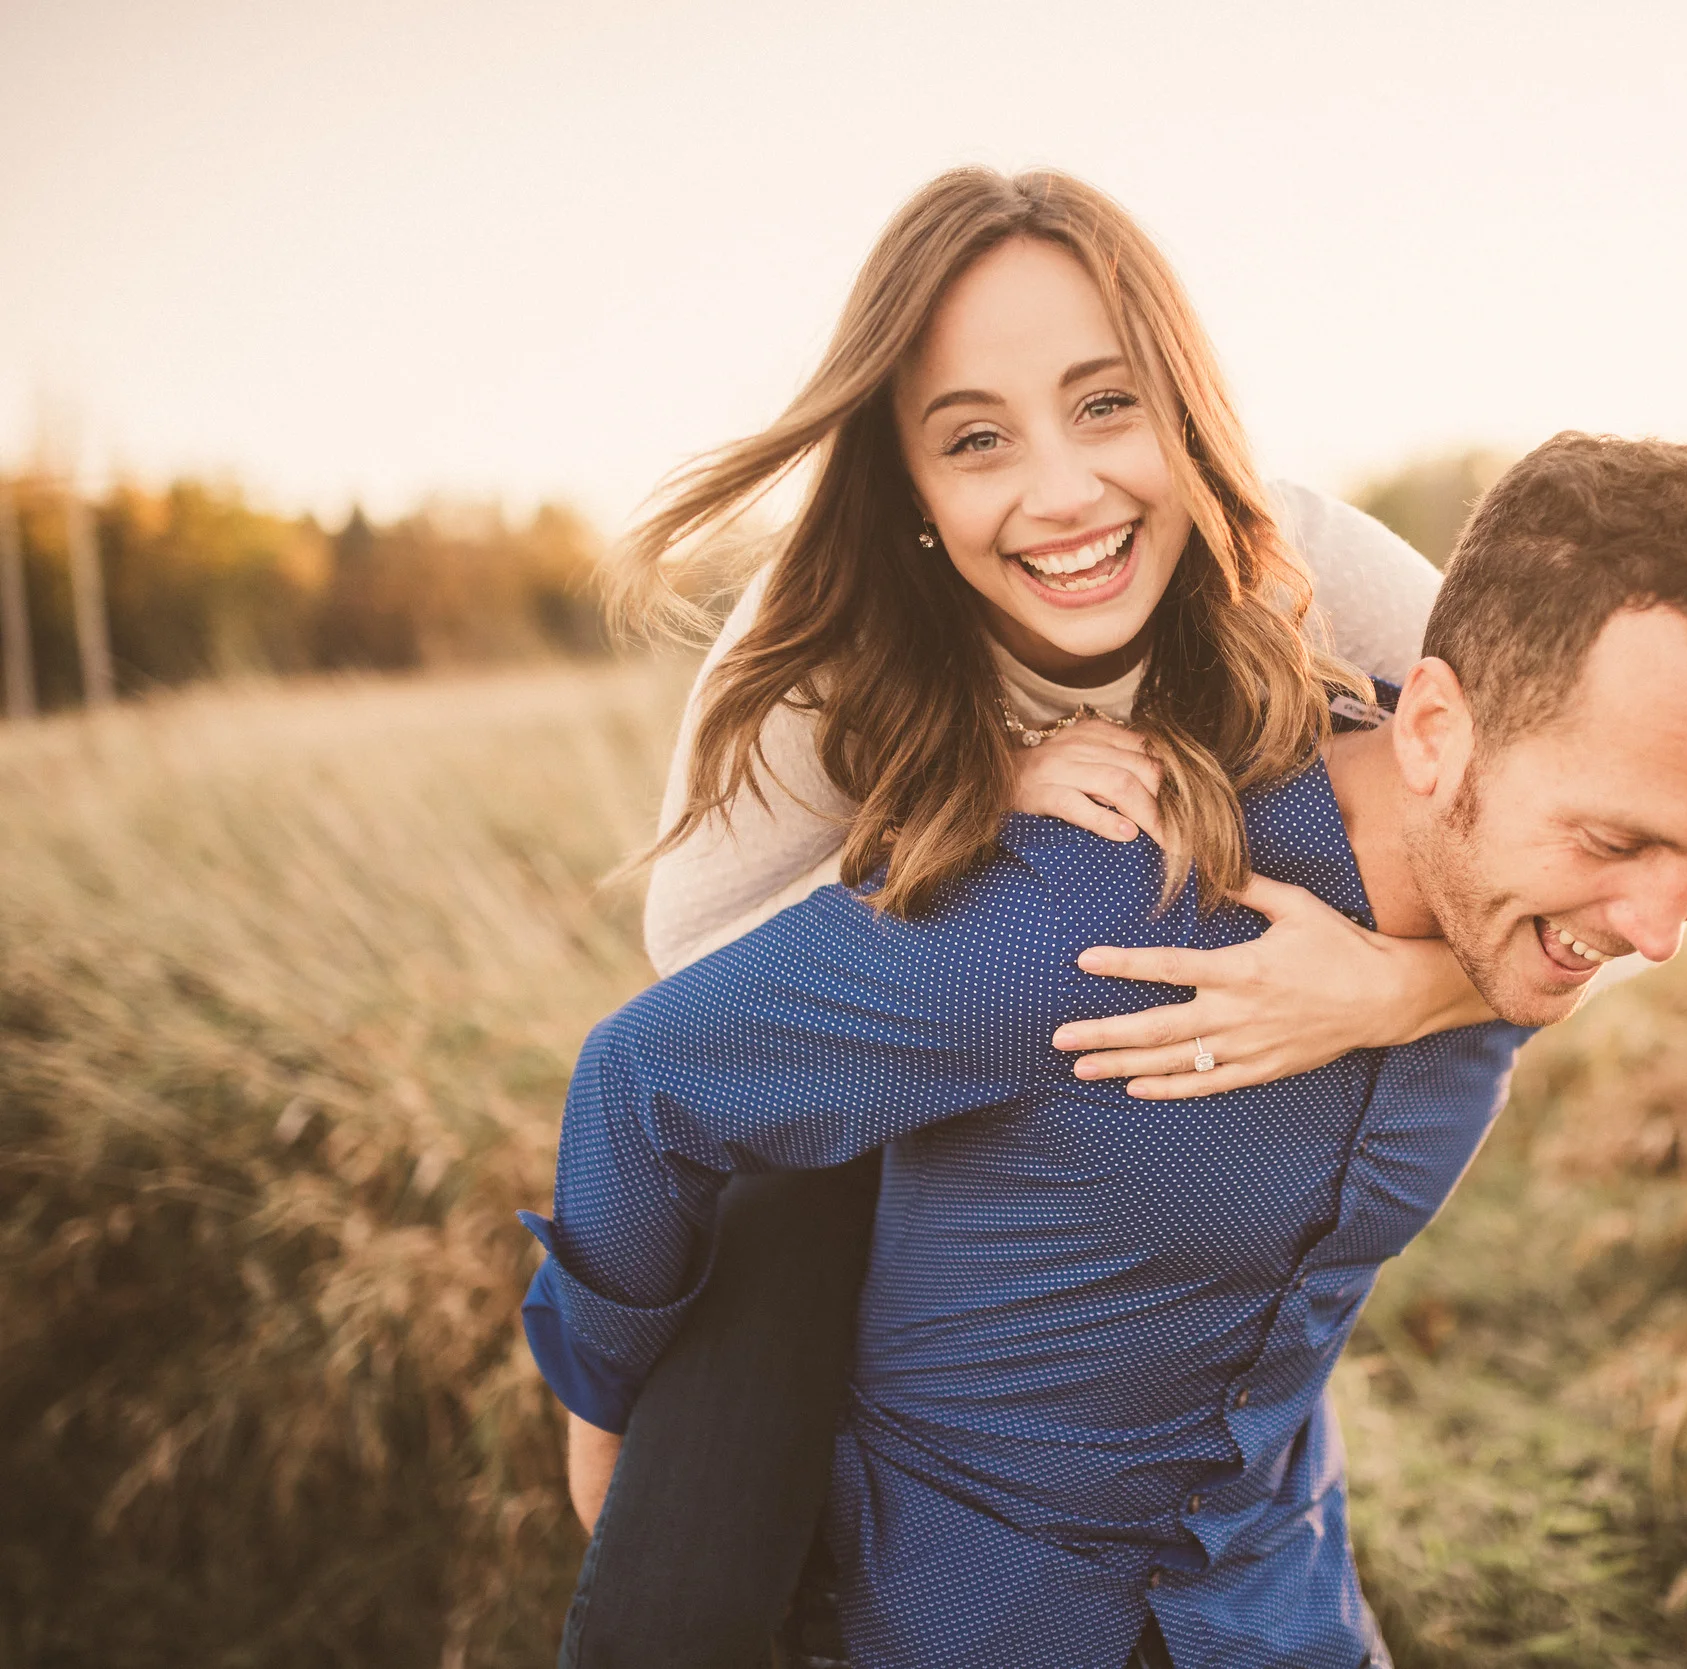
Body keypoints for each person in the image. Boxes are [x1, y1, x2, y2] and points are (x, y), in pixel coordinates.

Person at [522, 427, 1687, 1667]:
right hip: (961, 1616)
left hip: (1279, 1611)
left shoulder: (1522, 926)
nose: (1660, 933)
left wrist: (1405, 989)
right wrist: (618, 1445)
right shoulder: (1094, 902)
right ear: (1434, 735)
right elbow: (647, 1081)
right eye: (1614, 843)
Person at [555, 164, 1567, 1668]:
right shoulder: (813, 658)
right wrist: (962, 815)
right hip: (840, 1156)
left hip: (1163, 1164)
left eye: (1106, 406)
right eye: (978, 439)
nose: (1065, 492)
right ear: (908, 482)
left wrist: (1391, 992)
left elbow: (1586, 861)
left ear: (1188, 406)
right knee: (677, 1602)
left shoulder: (1315, 571)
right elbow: (703, 1003)